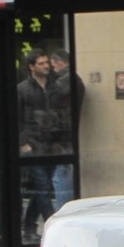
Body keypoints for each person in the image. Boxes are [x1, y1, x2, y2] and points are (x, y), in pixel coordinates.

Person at [17, 50, 56, 240]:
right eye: (41, 63)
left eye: (46, 62)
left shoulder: (53, 86)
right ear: (32, 67)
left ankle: (29, 226)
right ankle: (53, 226)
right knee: (42, 186)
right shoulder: (23, 89)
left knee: (43, 187)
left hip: (50, 144)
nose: (46, 66)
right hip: (32, 144)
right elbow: (16, 118)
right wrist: (24, 143)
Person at [49, 49, 85, 207]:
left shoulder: (65, 81)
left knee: (61, 178)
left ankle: (63, 211)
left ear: (59, 62)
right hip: (66, 134)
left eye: (51, 64)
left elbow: (51, 100)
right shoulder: (72, 80)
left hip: (63, 136)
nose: (51, 68)